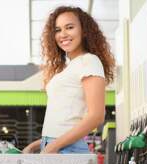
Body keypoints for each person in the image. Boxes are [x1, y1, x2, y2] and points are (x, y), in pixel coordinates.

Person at [22, 6, 115, 154]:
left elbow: (96, 116)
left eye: (69, 27)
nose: (63, 34)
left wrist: (53, 146)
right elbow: (66, 120)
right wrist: (37, 144)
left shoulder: (89, 61)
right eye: (58, 30)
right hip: (55, 146)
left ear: (84, 31)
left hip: (65, 149)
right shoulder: (69, 67)